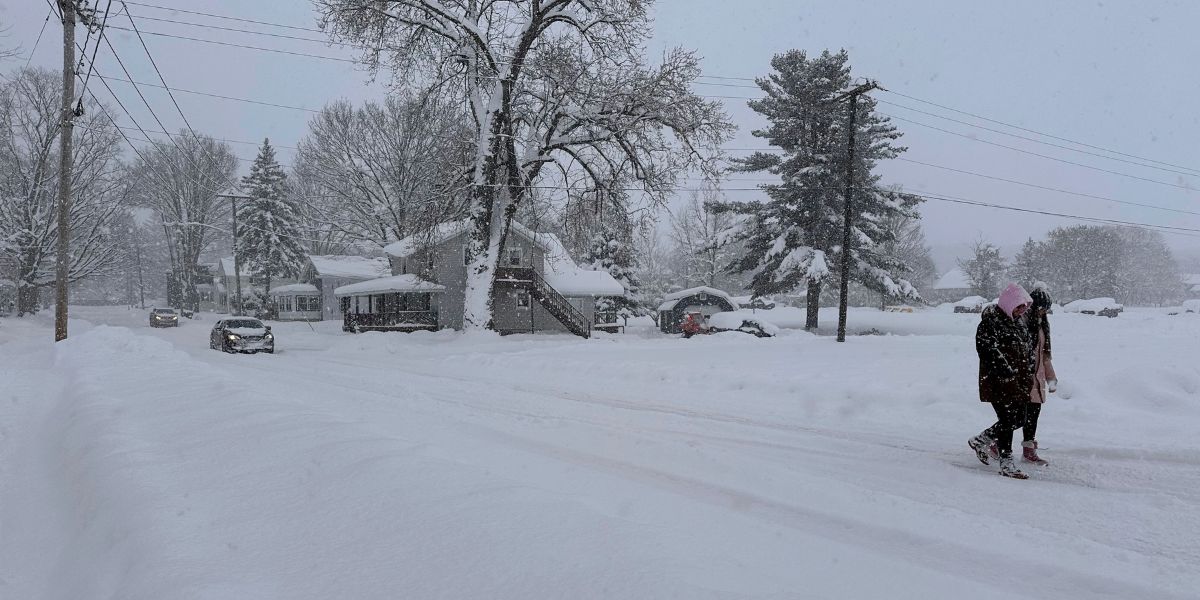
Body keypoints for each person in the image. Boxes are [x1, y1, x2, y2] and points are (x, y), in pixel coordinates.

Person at [968, 283, 1036, 479]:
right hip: (998, 382)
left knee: (1020, 419)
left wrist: (1029, 370)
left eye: (1025, 306)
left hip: (1020, 381)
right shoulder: (991, 322)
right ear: (1008, 303)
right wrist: (1007, 372)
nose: (1022, 310)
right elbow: (987, 350)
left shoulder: (1019, 322)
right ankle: (1006, 462)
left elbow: (1027, 349)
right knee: (1007, 420)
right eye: (1019, 305)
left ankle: (981, 440)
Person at [1021, 286, 1058, 465]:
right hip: (1023, 379)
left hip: (1037, 381)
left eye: (1046, 309)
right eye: (1042, 307)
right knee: (1016, 417)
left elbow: (1044, 355)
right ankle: (994, 441)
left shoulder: (1042, 325)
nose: (1044, 312)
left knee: (1032, 417)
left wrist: (1051, 378)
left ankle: (1029, 450)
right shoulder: (1022, 323)